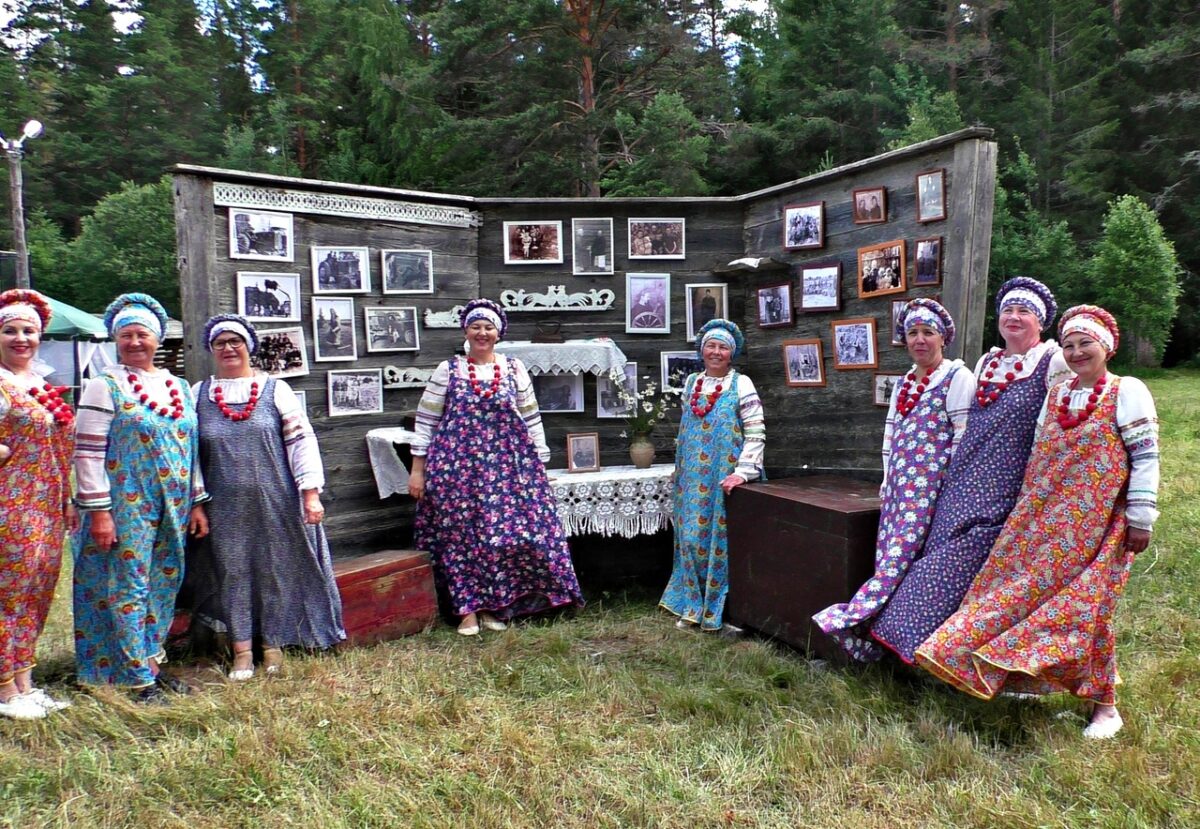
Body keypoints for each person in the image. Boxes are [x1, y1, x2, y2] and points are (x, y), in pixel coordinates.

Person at [916, 306, 1159, 740]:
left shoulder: (1128, 390)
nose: (1077, 351)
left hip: (1097, 526)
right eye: (1069, 344)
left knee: (1088, 611)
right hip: (1042, 521)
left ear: (1106, 346)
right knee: (1015, 596)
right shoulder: (1057, 394)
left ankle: (1105, 708)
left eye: (1086, 342)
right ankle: (1019, 676)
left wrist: (1141, 517)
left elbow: (1145, 457)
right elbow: (1036, 456)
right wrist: (1024, 509)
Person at [869, 278, 1068, 662]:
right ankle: (930, 653)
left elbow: (1059, 423)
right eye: (1008, 309)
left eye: (1024, 311)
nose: (1013, 317)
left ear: (1040, 322)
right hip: (964, 478)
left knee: (955, 562)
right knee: (937, 551)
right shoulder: (986, 362)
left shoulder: (1053, 360)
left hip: (1010, 483)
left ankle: (912, 641)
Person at [813, 299, 975, 661]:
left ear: (943, 338)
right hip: (900, 492)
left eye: (927, 333)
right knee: (890, 560)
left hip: (933, 492)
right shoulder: (904, 381)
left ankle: (874, 628)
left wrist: (949, 490)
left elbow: (964, 437)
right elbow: (891, 435)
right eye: (913, 333)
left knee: (906, 566)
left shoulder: (956, 377)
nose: (920, 340)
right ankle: (884, 639)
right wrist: (888, 480)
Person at [409, 299, 583, 636]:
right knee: (459, 538)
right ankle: (467, 611)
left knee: (499, 538)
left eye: (488, 327)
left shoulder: (514, 369)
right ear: (466, 331)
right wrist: (418, 470)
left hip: (506, 470)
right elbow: (426, 421)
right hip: (456, 469)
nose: (482, 333)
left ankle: (496, 605)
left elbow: (532, 418)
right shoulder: (448, 370)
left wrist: (539, 465)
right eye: (476, 326)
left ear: (498, 333)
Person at [187, 314, 345, 680]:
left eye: (235, 341)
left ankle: (272, 643)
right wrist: (196, 501)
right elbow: (188, 453)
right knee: (232, 572)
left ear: (249, 347)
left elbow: (301, 443)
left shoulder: (276, 390)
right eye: (220, 343)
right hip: (222, 505)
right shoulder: (197, 394)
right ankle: (241, 649)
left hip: (276, 497)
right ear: (212, 350)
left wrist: (310, 494)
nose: (228, 348)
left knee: (274, 569)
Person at [73, 293, 210, 703]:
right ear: (116, 339)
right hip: (125, 504)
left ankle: (151, 660)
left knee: (164, 581)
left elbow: (192, 446)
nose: (135, 342)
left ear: (157, 338)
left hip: (175, 504)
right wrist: (99, 512)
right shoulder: (104, 385)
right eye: (126, 335)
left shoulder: (178, 386)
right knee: (128, 585)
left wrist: (198, 501)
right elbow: (87, 451)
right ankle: (136, 679)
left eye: (142, 334)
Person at [661, 319, 765, 631]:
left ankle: (724, 608)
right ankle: (692, 603)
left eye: (722, 347)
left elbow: (756, 430)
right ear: (701, 350)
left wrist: (744, 472)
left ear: (731, 354)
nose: (716, 352)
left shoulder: (741, 384)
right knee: (691, 539)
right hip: (693, 479)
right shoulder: (692, 383)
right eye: (711, 345)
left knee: (722, 541)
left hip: (725, 476)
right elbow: (688, 428)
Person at [0, 290, 76, 720]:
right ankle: (4, 688)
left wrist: (66, 499)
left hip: (46, 504)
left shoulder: (41, 384)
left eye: (28, 330)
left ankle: (25, 681)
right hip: (9, 504)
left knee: (37, 592)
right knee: (7, 595)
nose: (20, 338)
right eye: (10, 330)